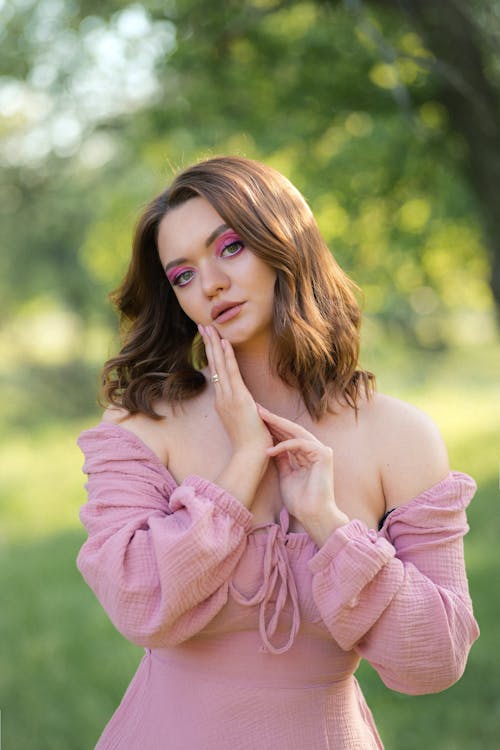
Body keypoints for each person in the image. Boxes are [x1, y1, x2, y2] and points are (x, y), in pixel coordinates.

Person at [76, 155, 479, 749]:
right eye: (182, 274)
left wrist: (328, 524)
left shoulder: (400, 437)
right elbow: (142, 608)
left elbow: (434, 661)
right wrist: (243, 464)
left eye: (230, 247)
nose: (209, 282)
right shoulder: (142, 426)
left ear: (283, 243)